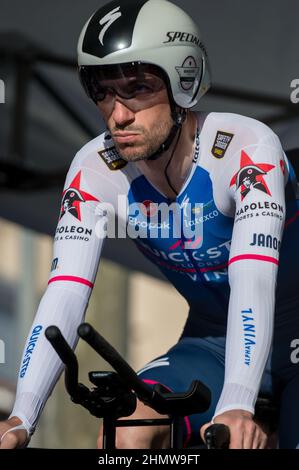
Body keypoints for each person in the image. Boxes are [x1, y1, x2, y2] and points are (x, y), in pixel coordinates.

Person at [1, 0, 299, 450]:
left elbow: (252, 274)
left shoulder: (246, 145)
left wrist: (237, 402)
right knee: (125, 430)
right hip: (212, 343)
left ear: (185, 81)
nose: (118, 114)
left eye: (137, 88)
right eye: (102, 91)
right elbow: (65, 289)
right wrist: (21, 416)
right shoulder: (95, 169)